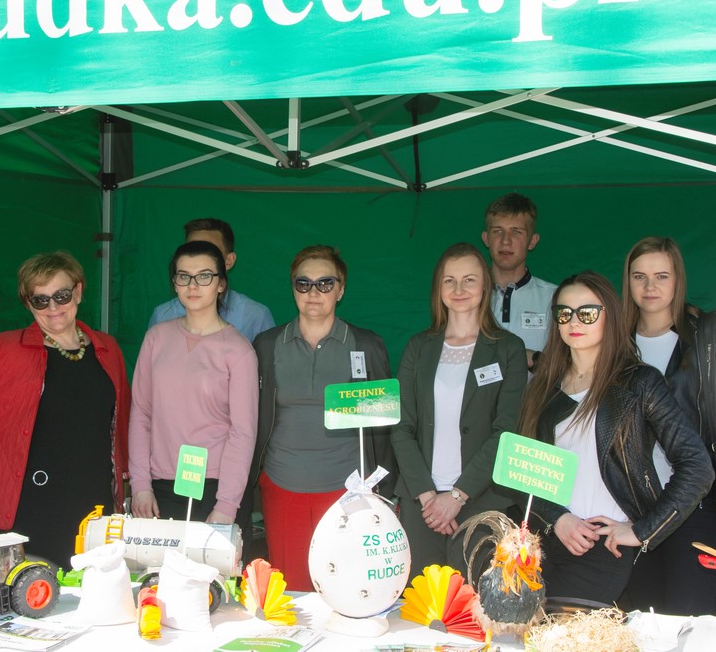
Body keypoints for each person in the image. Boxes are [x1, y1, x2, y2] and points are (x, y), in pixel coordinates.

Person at [518, 271, 714, 603]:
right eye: (564, 313)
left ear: (609, 315)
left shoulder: (640, 382)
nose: (574, 321)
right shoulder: (545, 388)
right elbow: (524, 472)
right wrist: (558, 518)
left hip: (603, 546)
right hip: (549, 542)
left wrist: (641, 531)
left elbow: (697, 466)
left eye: (587, 313)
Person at [0, 251, 130, 569]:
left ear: (78, 292)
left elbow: (123, 421)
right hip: (34, 497)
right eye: (40, 300)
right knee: (34, 585)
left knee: (94, 578)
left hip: (94, 491)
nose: (53, 308)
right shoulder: (0, 348)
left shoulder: (108, 349)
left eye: (61, 295)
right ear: (28, 304)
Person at [621, 236, 716, 615]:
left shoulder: (711, 334)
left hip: (697, 506)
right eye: (639, 276)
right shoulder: (615, 342)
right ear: (627, 281)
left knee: (689, 622)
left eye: (661, 276)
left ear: (678, 279)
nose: (650, 287)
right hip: (634, 508)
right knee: (643, 623)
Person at [249, 245, 394, 592]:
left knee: (347, 587)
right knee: (292, 589)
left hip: (348, 489)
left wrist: (384, 489)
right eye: (303, 283)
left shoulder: (367, 344)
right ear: (293, 289)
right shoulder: (267, 344)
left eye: (325, 283)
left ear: (340, 290)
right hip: (283, 483)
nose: (313, 292)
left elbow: (384, 428)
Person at [391, 243, 528, 576]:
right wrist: (429, 498)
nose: (459, 289)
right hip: (421, 505)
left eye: (469, 280)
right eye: (449, 280)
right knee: (421, 600)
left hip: (483, 500)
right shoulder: (418, 347)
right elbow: (401, 427)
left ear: (485, 286)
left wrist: (456, 497)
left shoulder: (508, 349)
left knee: (479, 600)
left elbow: (506, 431)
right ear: (438, 289)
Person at [130, 240, 258, 525]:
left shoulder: (239, 350)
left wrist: (227, 504)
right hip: (159, 486)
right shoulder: (156, 338)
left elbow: (242, 432)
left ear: (221, 284)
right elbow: (141, 413)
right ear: (174, 283)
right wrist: (140, 485)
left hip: (216, 487)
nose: (193, 285)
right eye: (184, 276)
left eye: (204, 276)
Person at [148, 218, 274, 342]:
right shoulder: (162, 316)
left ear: (229, 261)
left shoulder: (256, 316)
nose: (198, 259)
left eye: (210, 251)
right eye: (192, 250)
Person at [480, 193, 556, 372]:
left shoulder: (555, 297)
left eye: (516, 232)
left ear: (532, 241)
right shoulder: (466, 297)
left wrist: (535, 360)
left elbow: (571, 363)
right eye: (497, 231)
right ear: (486, 239)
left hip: (536, 392)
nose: (506, 241)